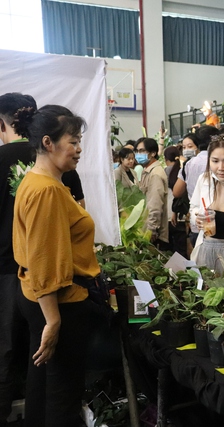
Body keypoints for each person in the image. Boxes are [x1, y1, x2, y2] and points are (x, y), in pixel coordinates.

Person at [12, 105, 100, 427]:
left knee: (43, 385)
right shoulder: (47, 190)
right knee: (63, 394)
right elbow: (44, 259)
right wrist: (53, 322)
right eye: (73, 141)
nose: (78, 149)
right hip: (58, 302)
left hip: (35, 295)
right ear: (48, 143)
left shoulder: (35, 181)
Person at [0, 92, 36, 427]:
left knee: (6, 343)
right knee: (38, 342)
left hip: (5, 267)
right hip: (43, 268)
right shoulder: (52, 159)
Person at [190, 135, 224, 272]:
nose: (221, 168)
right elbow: (194, 207)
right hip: (205, 248)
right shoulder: (205, 180)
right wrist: (197, 217)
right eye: (215, 161)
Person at [173, 127, 220, 245]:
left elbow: (176, 192)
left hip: (196, 222)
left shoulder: (188, 164)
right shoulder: (220, 161)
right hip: (218, 223)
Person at [135, 138, 170, 250]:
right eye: (136, 151)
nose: (138, 154)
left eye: (141, 151)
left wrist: (152, 229)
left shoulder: (155, 174)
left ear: (153, 153)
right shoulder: (147, 171)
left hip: (154, 234)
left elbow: (155, 204)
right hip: (146, 229)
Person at [164, 145, 188, 258]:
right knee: (183, 250)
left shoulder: (166, 171)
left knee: (174, 250)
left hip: (171, 214)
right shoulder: (184, 168)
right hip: (183, 215)